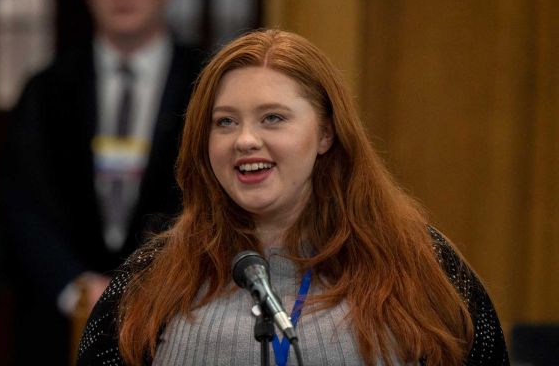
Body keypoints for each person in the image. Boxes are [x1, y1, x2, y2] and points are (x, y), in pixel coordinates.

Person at [77, 29, 509, 365]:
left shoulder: (422, 262)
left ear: (325, 133)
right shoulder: (152, 276)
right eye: (225, 122)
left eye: (272, 118)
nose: (245, 140)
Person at [0, 0, 202, 364]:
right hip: (57, 317)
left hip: (176, 309)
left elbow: (208, 197)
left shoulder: (205, 84)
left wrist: (144, 284)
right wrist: (75, 285)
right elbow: (21, 201)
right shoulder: (46, 88)